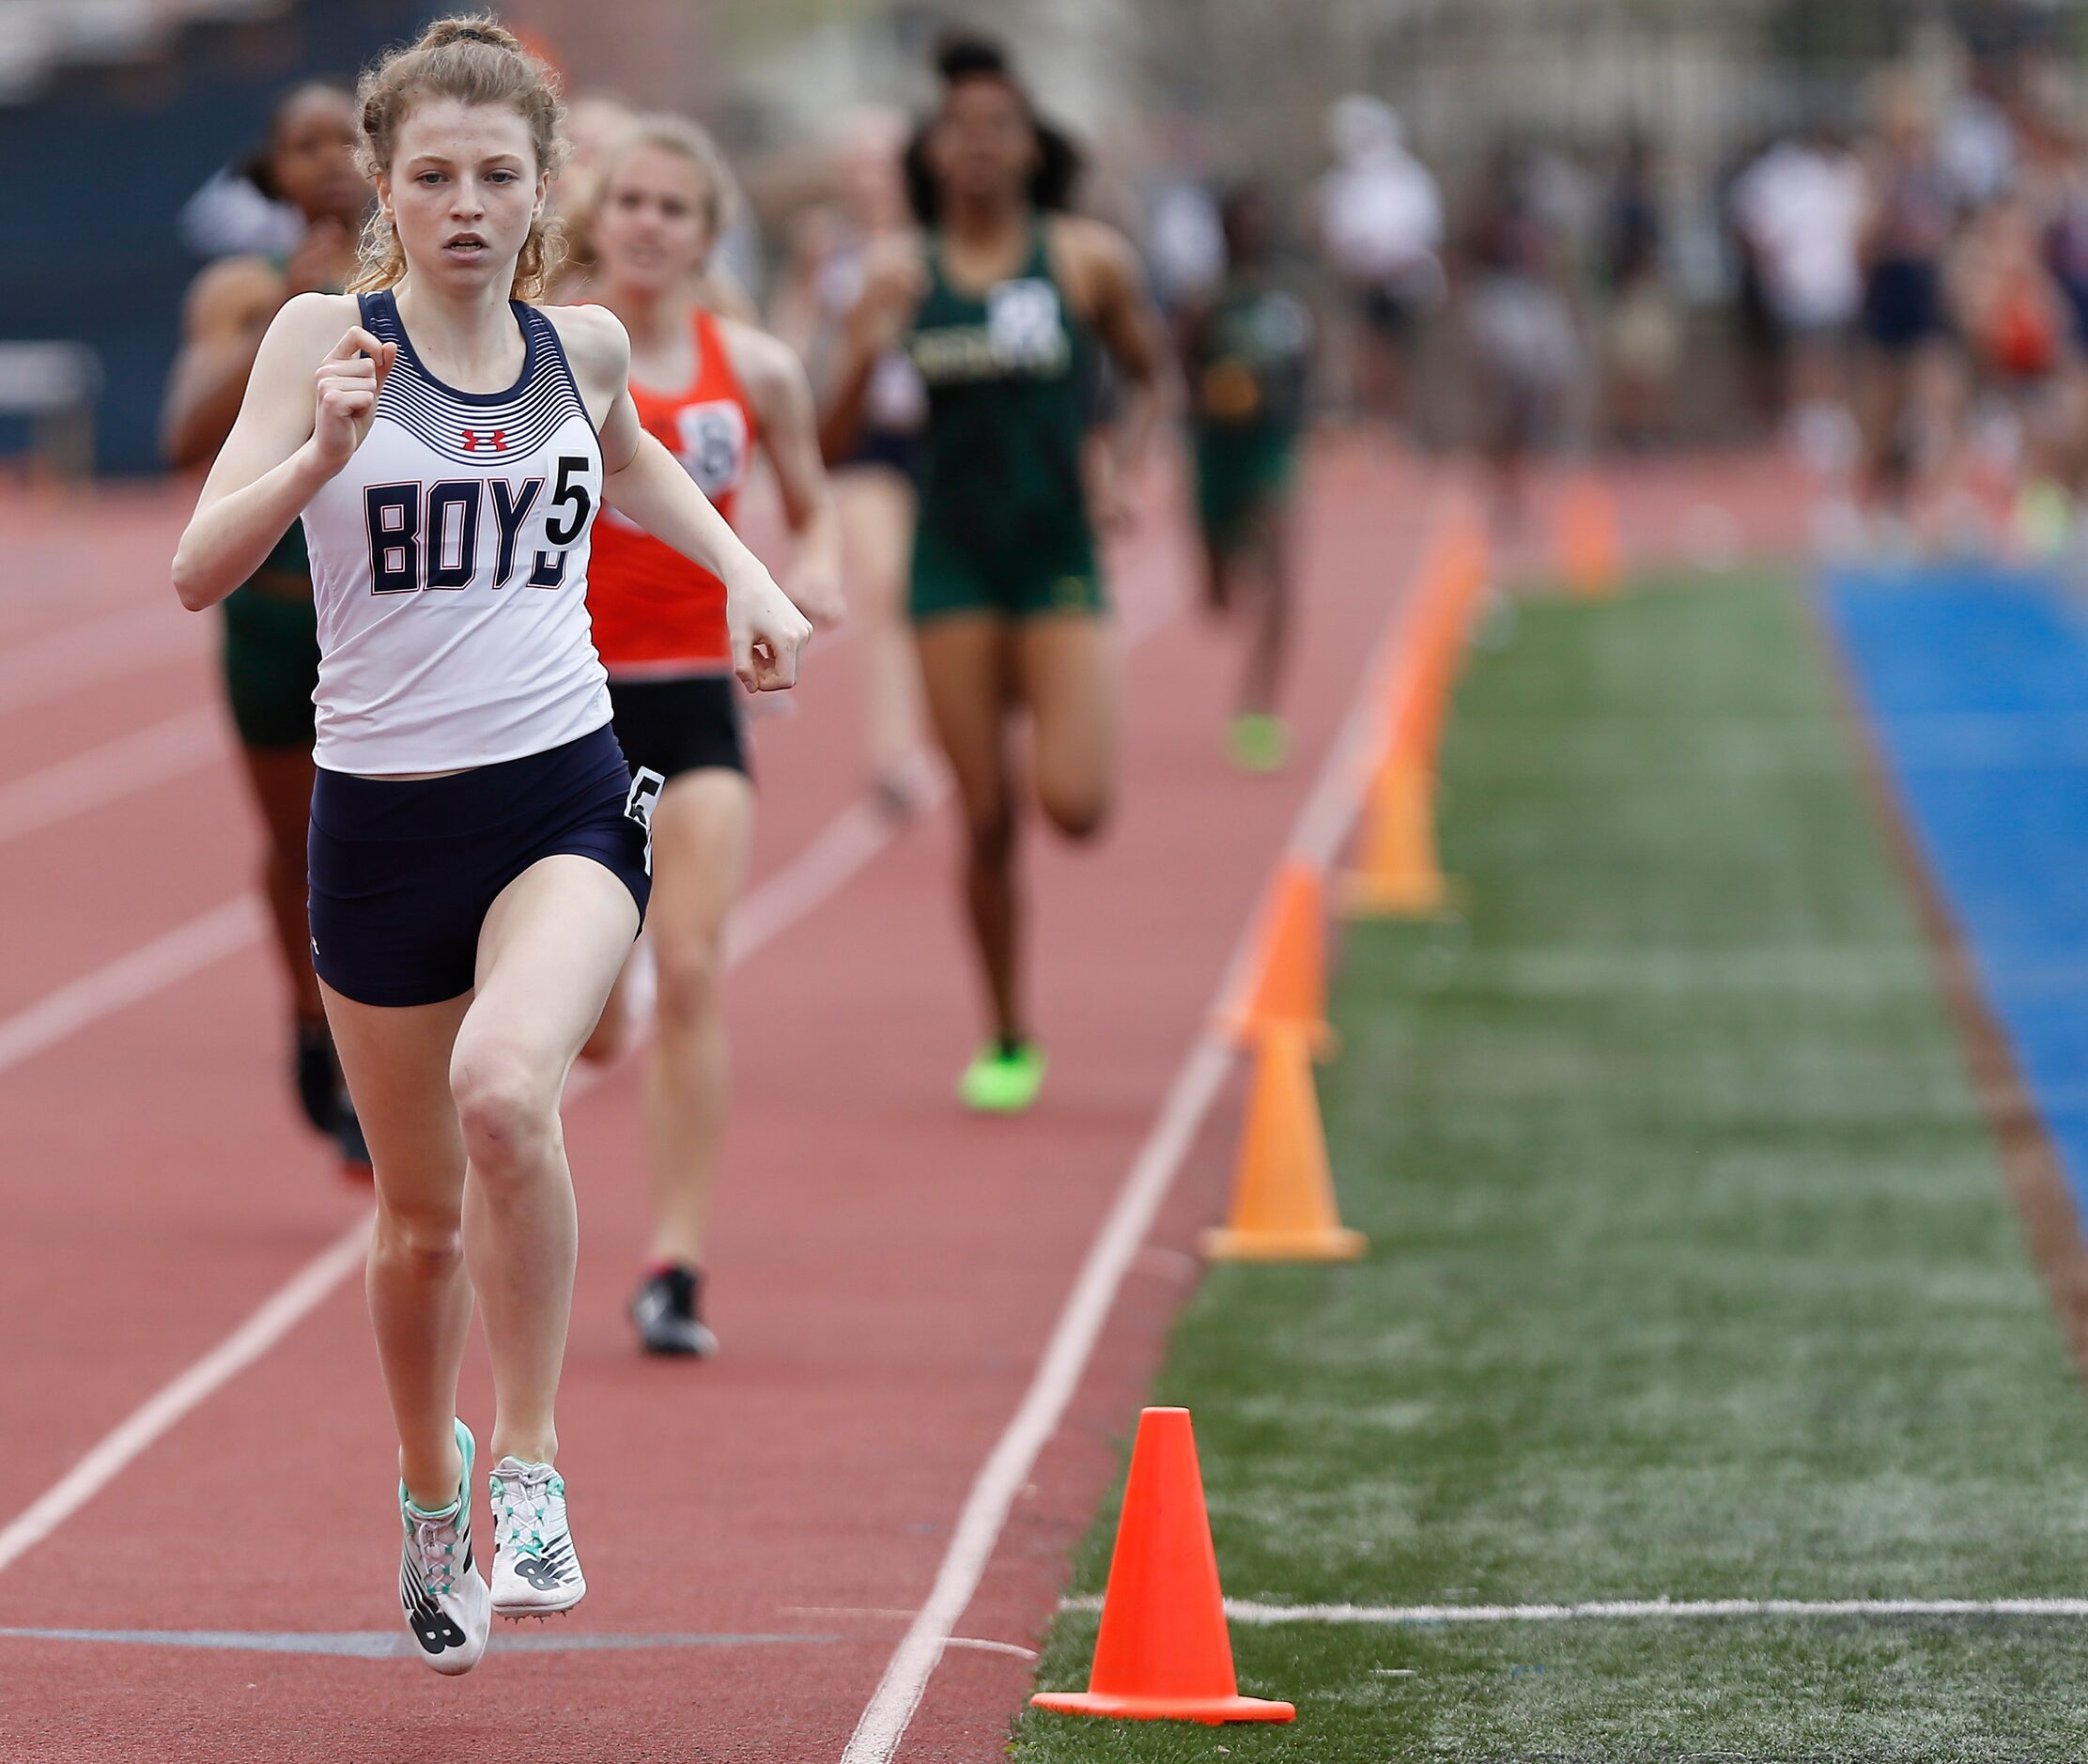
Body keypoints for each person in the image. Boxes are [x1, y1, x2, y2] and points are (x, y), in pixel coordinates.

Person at [168, 16, 810, 1674]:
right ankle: (425, 1480)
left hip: (559, 793)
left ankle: (528, 1456)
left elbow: (643, 460)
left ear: (542, 192)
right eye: (434, 175)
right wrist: (316, 451)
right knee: (421, 1220)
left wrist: (749, 581)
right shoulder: (322, 330)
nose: (467, 203)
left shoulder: (575, 347)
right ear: (385, 186)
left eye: (498, 175)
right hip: (379, 823)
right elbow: (194, 566)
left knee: (508, 1091)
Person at [821, 33, 1166, 1114]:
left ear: (1030, 147)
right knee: (986, 821)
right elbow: (829, 445)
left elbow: (1151, 379)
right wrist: (868, 345)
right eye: (958, 128)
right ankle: (1009, 1030)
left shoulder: (1084, 259)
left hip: (1056, 554)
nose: (977, 145)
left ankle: (1050, 704)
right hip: (953, 566)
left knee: (1074, 804)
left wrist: (1114, 461)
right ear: (933, 150)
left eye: (998, 128)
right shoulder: (898, 274)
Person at [573, 113, 843, 1356]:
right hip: (563, 704)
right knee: (589, 1016)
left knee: (688, 968)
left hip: (692, 702)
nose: (646, 225)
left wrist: (813, 577)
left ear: (705, 231)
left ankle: (673, 1259)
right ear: (598, 214)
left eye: (672, 208)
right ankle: (596, 1001)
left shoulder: (758, 368)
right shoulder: (548, 353)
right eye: (628, 200)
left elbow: (812, 505)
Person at [162, 81, 372, 1173]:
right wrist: (279, 329)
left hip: (379, 623)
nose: (332, 158)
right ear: (275, 172)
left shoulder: (412, 284)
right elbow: (181, 433)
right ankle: (310, 1017)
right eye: (306, 144)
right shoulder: (243, 291)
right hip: (273, 623)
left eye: (351, 137)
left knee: (381, 837)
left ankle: (380, 1047)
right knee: (297, 847)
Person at [770, 107, 935, 813]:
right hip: (862, 439)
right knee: (887, 586)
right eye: (858, 161)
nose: (871, 176)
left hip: (943, 439)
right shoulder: (827, 248)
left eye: (885, 160)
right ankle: (893, 755)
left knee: (945, 597)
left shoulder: (940, 244)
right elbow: (787, 346)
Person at [1181, 184, 1312, 772]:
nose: (1252, 235)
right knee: (1217, 598)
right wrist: (1216, 396)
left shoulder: (1288, 304)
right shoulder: (1207, 304)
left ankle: (1258, 707)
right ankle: (1221, 566)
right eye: (1242, 224)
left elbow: (1310, 369)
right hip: (1217, 454)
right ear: (1225, 232)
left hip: (1270, 451)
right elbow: (1180, 366)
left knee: (1283, 575)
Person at [1317, 95, 1444, 437]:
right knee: (1366, 361)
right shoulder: (1340, 183)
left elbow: (1426, 231)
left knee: (1406, 364)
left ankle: (1403, 428)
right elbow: (1335, 235)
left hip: (1407, 286)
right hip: (1360, 287)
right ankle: (1373, 427)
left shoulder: (1409, 177)